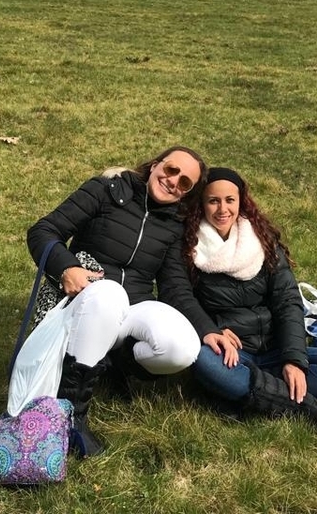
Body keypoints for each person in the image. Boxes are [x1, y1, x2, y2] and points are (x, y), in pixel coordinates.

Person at [26, 146, 233, 457]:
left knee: (182, 348)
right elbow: (44, 231)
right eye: (171, 169)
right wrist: (66, 268)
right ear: (154, 165)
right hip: (86, 298)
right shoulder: (105, 191)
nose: (173, 181)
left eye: (186, 183)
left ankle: (114, 364)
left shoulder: (173, 225)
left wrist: (206, 328)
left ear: (187, 193)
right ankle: (71, 413)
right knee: (110, 293)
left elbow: (174, 286)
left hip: (132, 305)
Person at [183, 167, 317, 433]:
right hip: (231, 354)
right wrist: (212, 329)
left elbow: (288, 302)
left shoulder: (262, 241)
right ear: (201, 204)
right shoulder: (188, 246)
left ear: (241, 201)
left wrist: (294, 361)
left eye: (230, 200)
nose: (222, 209)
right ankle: (304, 406)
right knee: (202, 361)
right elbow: (181, 300)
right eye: (213, 200)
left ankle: (241, 395)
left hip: (275, 351)